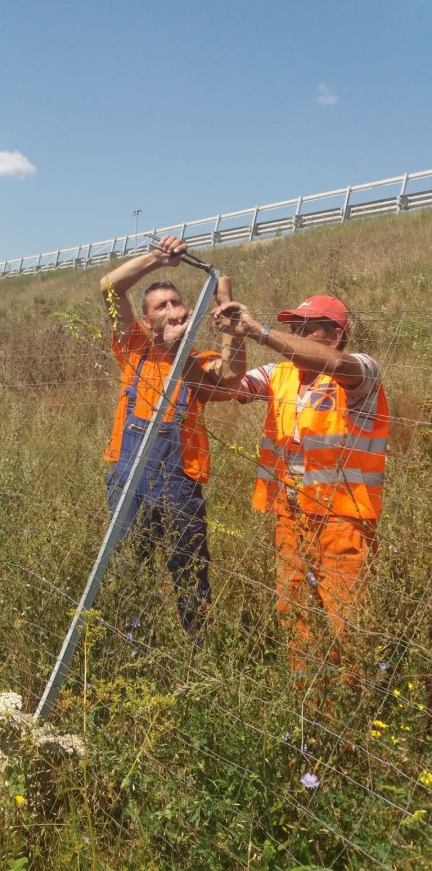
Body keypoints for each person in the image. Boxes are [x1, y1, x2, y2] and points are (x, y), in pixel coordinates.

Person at [212, 295, 389, 676]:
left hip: (343, 519)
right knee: (294, 614)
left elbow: (339, 364)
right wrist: (233, 336)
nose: (296, 334)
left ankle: (352, 715)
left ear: (337, 334)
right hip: (291, 516)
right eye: (295, 327)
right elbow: (228, 388)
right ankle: (308, 703)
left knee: (349, 622)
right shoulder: (280, 372)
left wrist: (258, 330)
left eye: (308, 327)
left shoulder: (360, 370)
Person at [100, 235, 245, 636]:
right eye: (161, 306)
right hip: (127, 478)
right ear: (146, 321)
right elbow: (110, 287)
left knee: (190, 572)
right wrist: (157, 259)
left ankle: (195, 647)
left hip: (181, 484)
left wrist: (224, 302)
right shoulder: (134, 350)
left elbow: (231, 378)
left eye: (177, 302)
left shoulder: (198, 364)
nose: (173, 309)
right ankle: (131, 645)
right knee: (131, 566)